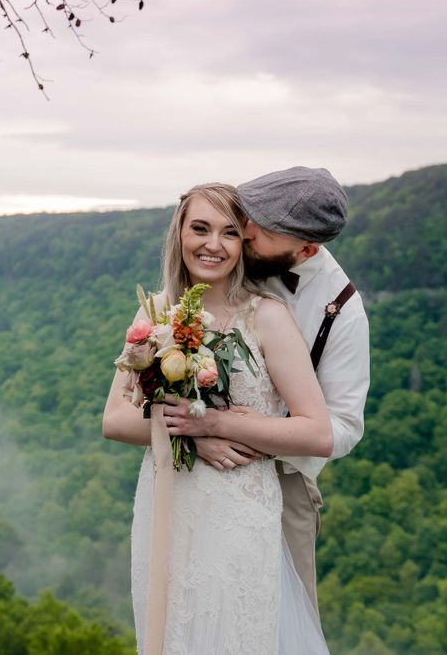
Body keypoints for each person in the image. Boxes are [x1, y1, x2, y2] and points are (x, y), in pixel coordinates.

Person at [102, 182, 332, 653]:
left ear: (243, 243)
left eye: (229, 233)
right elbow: (115, 420)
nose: (212, 244)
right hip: (166, 506)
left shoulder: (266, 316)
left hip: (237, 515)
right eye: (200, 228)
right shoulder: (157, 312)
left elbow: (317, 432)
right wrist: (190, 435)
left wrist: (215, 424)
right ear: (179, 233)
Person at [162, 166, 371, 613]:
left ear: (306, 249)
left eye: (259, 230)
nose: (245, 233)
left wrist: (237, 427)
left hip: (282, 482)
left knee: (278, 622)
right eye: (248, 218)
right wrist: (199, 434)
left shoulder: (343, 313)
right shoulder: (232, 259)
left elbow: (343, 430)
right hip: (195, 476)